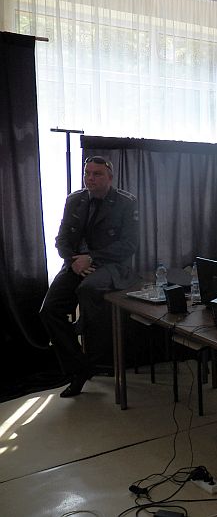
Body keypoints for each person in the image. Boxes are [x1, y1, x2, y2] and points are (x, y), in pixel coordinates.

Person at [39, 156, 139, 398]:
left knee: (88, 289)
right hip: (76, 264)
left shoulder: (126, 202)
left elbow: (129, 245)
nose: (90, 178)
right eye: (87, 173)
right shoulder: (74, 200)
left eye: (97, 174)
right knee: (49, 310)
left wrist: (91, 258)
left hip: (109, 264)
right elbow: (62, 238)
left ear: (110, 178)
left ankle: (85, 337)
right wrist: (74, 261)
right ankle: (80, 367)